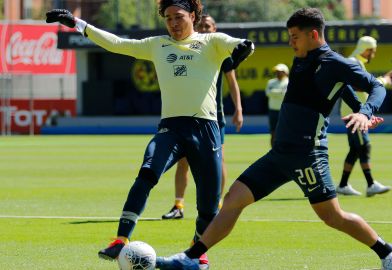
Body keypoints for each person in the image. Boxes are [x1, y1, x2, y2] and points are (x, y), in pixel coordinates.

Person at [156, 7, 392, 270]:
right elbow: (340, 89)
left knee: (332, 216)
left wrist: (365, 112)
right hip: (280, 154)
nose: (290, 41)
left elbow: (376, 87)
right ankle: (193, 259)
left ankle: (387, 251)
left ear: (314, 35)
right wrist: (356, 107)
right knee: (233, 200)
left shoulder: (336, 62)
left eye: (295, 36)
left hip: (308, 155)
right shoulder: (302, 58)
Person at [45, 1, 254, 269]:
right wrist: (78, 24)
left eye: (178, 17)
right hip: (171, 129)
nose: (173, 23)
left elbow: (240, 43)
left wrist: (243, 48)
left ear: (193, 15)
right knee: (147, 174)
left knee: (209, 204)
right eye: (168, 18)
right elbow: (117, 43)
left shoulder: (211, 41)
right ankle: (120, 239)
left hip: (206, 131)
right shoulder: (157, 44)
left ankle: (196, 254)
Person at [162, 14, 244, 220]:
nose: (205, 29)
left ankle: (216, 204)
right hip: (186, 116)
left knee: (218, 160)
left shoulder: (220, 51)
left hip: (214, 117)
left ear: (215, 28)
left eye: (208, 26)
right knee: (183, 161)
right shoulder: (189, 48)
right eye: (202, 25)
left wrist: (239, 109)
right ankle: (178, 205)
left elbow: (232, 83)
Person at [336, 36, 392, 197]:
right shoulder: (353, 62)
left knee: (356, 148)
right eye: (373, 51)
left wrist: (385, 79)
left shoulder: (357, 62)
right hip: (355, 114)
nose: (374, 55)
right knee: (364, 146)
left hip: (354, 112)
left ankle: (343, 185)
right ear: (366, 50)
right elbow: (357, 86)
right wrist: (383, 81)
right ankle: (370, 184)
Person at [265, 63, 289, 147]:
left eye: (280, 72)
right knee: (273, 132)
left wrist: (274, 92)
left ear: (285, 72)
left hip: (284, 111)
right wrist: (279, 92)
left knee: (285, 132)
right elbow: (268, 93)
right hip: (273, 111)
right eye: (277, 72)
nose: (278, 73)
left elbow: (285, 94)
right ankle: (273, 151)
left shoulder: (288, 82)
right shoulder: (271, 82)